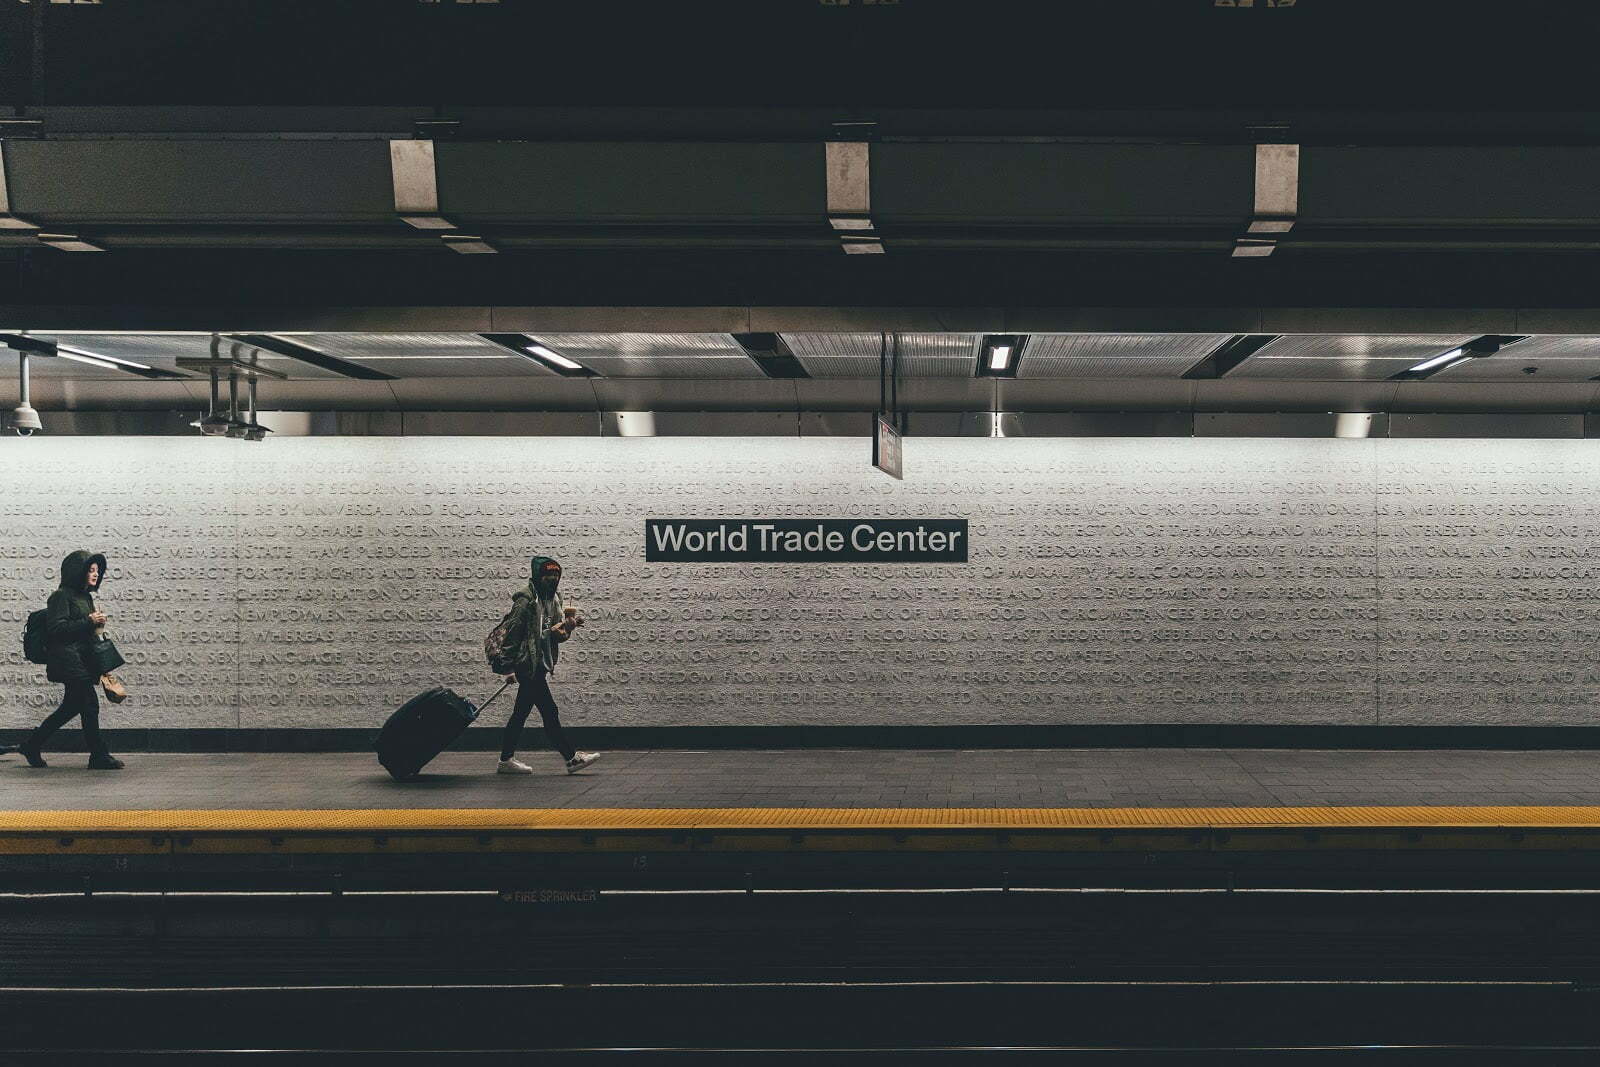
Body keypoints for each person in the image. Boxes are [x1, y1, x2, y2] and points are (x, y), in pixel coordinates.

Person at [19, 551, 124, 770]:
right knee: (89, 704)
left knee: (70, 708)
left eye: (97, 570)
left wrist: (96, 624)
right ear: (77, 571)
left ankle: (32, 744)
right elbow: (57, 630)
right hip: (67, 660)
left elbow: (85, 630)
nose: (95, 574)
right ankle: (98, 755)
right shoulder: (60, 596)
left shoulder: (86, 597)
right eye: (90, 570)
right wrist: (88, 621)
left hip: (82, 659)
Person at [497, 555, 600, 775]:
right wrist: (507, 668)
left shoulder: (554, 599)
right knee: (549, 713)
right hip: (527, 665)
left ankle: (506, 760)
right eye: (548, 574)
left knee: (520, 714)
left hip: (540, 665)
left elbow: (557, 635)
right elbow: (512, 634)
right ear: (538, 576)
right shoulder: (525, 601)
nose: (553, 579)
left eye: (556, 575)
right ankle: (571, 758)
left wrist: (569, 627)